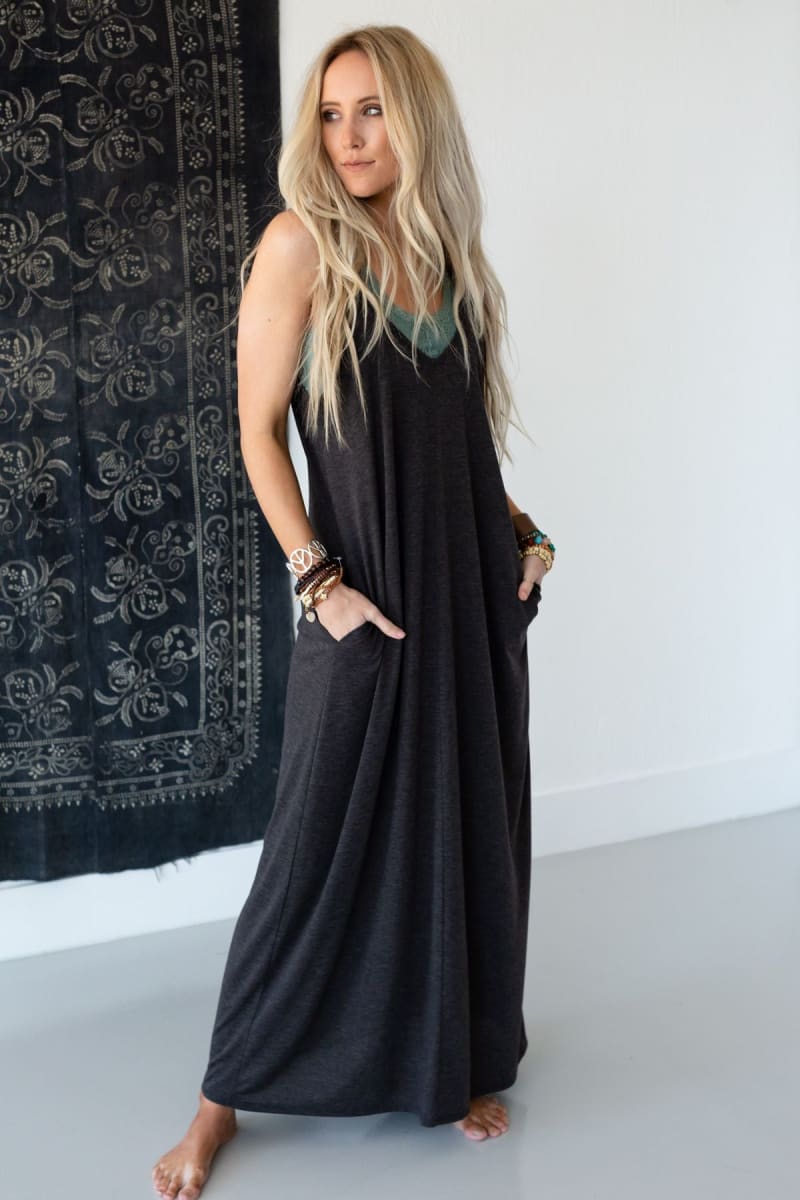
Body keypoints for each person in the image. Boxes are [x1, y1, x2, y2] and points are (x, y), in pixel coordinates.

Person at [152, 24, 556, 1199]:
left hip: (468, 597)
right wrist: (317, 583)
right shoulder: (299, 246)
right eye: (330, 114)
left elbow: (461, 449)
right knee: (309, 855)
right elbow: (254, 431)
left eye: (370, 109)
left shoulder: (446, 257)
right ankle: (218, 1103)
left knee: (461, 827)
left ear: (415, 116)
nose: (348, 136)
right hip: (366, 601)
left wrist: (526, 535)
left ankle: (449, 1060)